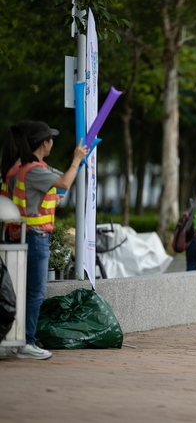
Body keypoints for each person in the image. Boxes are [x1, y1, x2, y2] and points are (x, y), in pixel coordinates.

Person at [2, 121, 88, 359]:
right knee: (35, 292)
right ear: (43, 143)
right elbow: (65, 182)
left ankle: (16, 339)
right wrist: (76, 159)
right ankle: (26, 342)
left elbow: (34, 197)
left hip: (20, 235)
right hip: (36, 236)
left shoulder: (20, 168)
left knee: (20, 290)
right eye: (50, 138)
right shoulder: (34, 170)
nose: (52, 142)